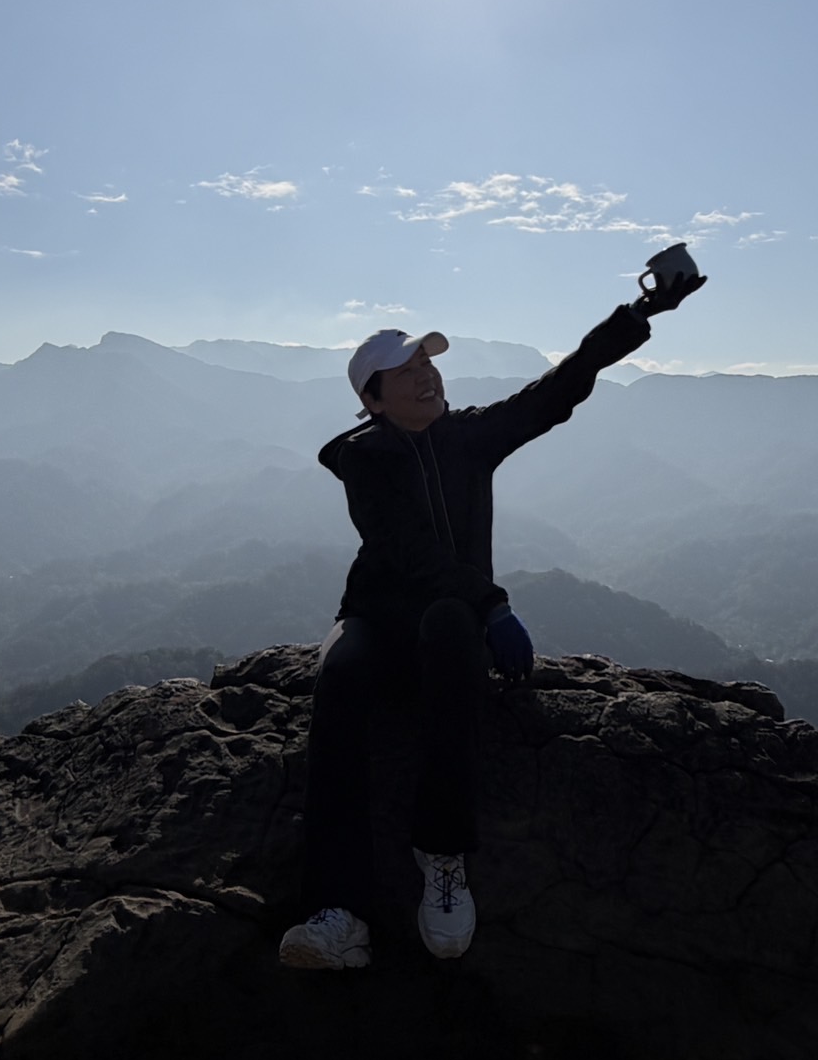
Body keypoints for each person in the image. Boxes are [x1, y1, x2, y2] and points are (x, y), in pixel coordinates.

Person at [278, 258, 706, 969]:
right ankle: (339, 912)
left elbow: (558, 388)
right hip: (378, 615)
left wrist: (639, 315)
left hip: (448, 621)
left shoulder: (470, 436)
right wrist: (495, 604)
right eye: (406, 370)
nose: (426, 375)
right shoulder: (365, 460)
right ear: (373, 399)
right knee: (341, 676)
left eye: (427, 362)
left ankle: (442, 854)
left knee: (450, 626)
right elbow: (408, 552)